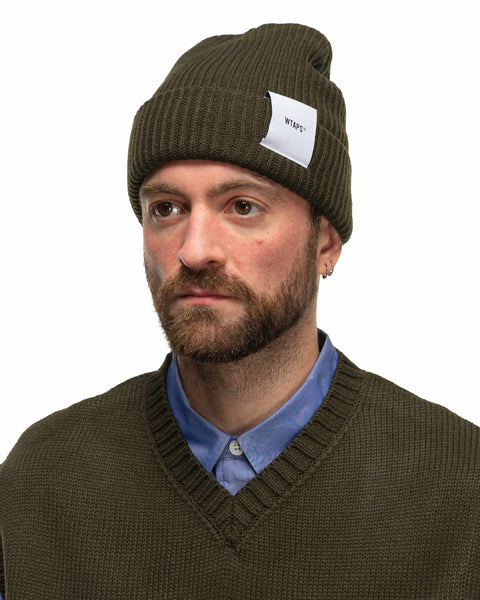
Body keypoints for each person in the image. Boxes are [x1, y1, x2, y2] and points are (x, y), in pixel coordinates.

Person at [0, 23, 479, 599]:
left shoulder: (460, 489)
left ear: (325, 242)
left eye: (243, 206)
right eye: (167, 208)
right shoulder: (42, 484)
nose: (195, 250)